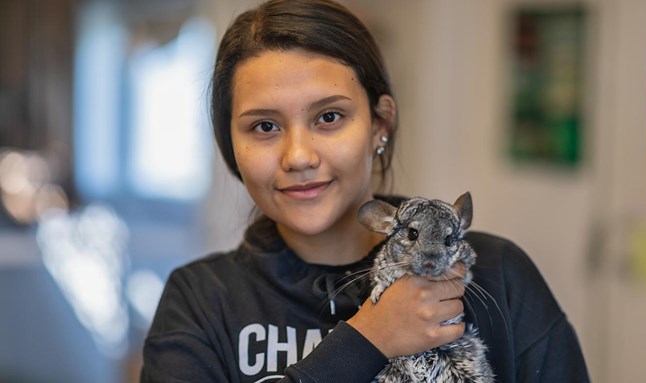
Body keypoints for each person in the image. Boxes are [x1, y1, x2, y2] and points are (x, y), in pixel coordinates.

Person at [140, 0, 590, 382]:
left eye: (329, 117)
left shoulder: (498, 275)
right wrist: (368, 339)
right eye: (264, 126)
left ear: (380, 125)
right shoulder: (199, 301)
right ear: (229, 146)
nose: (298, 156)